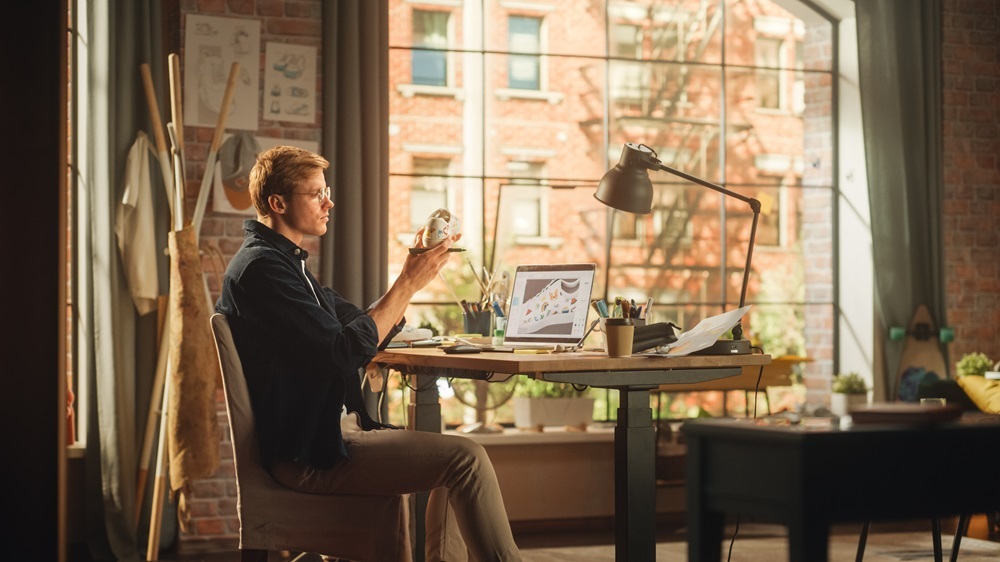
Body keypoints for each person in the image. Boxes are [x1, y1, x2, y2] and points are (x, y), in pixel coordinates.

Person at [216, 146, 521, 561]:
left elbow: (359, 323)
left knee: (452, 459)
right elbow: (343, 351)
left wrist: (411, 272)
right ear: (278, 203)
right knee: (466, 459)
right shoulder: (262, 270)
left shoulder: (285, 263)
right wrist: (407, 284)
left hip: (328, 435)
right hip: (311, 453)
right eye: (317, 194)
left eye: (328, 191)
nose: (330, 202)